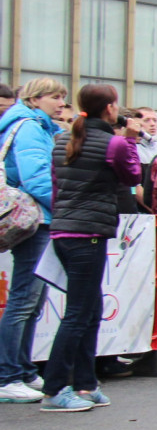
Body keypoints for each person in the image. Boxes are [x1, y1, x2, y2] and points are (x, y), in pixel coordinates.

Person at [37, 85, 143, 412]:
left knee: (90, 308)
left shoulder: (63, 140)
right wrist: (129, 138)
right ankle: (55, 388)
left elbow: (57, 184)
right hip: (88, 232)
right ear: (110, 109)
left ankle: (85, 382)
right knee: (80, 313)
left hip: (65, 229)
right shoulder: (114, 144)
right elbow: (133, 175)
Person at [0, 78, 67, 403]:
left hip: (41, 217)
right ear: (35, 98)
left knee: (31, 300)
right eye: (55, 97)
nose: (60, 103)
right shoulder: (29, 127)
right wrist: (63, 206)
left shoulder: (39, 127)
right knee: (24, 299)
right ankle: (8, 375)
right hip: (37, 218)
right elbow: (37, 176)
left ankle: (22, 370)